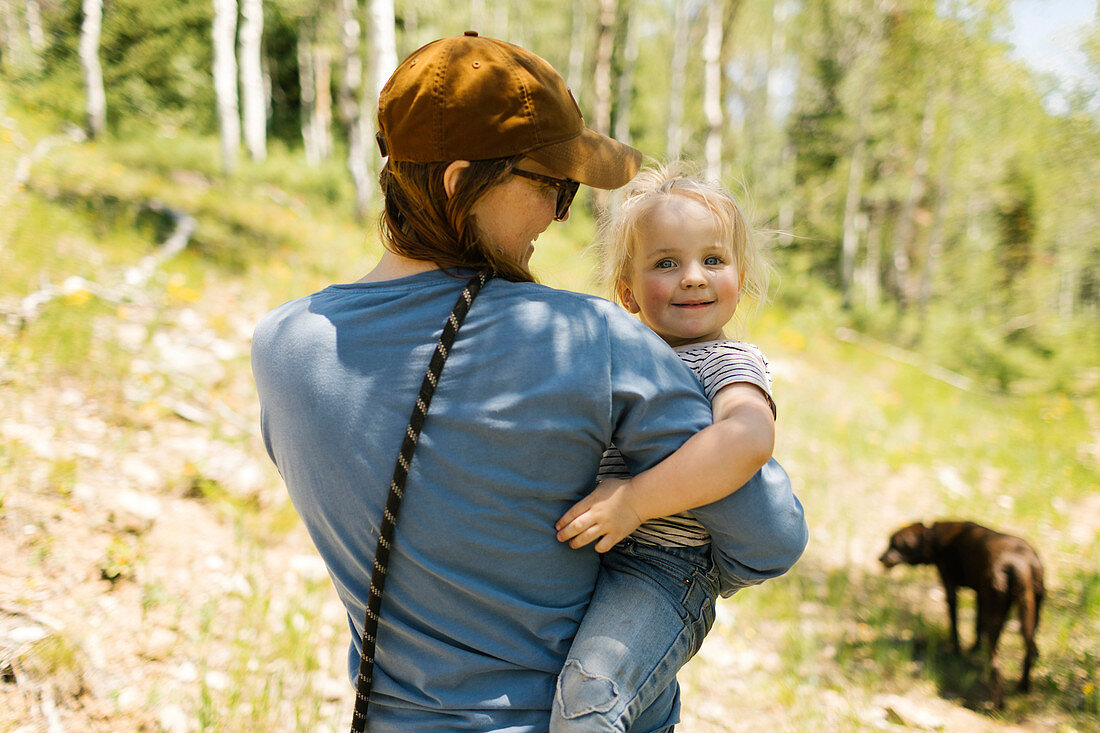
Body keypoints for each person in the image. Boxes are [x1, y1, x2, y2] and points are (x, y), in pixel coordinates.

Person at [251, 32, 805, 732]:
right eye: (552, 185)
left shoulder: (280, 345)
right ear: (459, 184)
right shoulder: (588, 338)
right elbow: (771, 538)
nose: (559, 215)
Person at [551, 165, 802, 731]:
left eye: (713, 260)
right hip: (598, 557)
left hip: (666, 567)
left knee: (588, 703)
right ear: (626, 291)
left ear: (740, 276)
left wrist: (636, 500)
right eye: (667, 263)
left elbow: (747, 439)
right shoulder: (618, 357)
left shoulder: (727, 363)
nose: (693, 277)